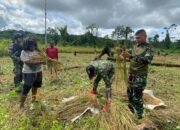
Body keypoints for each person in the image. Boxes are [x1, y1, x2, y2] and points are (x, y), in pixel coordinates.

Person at [121, 29, 154, 119]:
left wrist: (130, 56)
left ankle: (139, 115)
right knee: (130, 93)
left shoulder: (148, 48)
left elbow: (147, 60)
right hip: (131, 74)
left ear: (144, 37)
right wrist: (122, 52)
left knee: (137, 96)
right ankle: (131, 110)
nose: (137, 39)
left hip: (140, 75)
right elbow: (127, 53)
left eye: (138, 38)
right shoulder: (135, 46)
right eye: (136, 38)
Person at [19, 39, 45, 109]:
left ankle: (33, 100)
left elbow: (44, 60)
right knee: (26, 88)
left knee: (35, 86)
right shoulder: (24, 52)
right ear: (27, 45)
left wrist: (46, 61)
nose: (32, 46)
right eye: (30, 45)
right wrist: (40, 62)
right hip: (28, 73)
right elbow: (28, 62)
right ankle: (21, 105)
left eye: (33, 45)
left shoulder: (37, 51)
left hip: (38, 71)